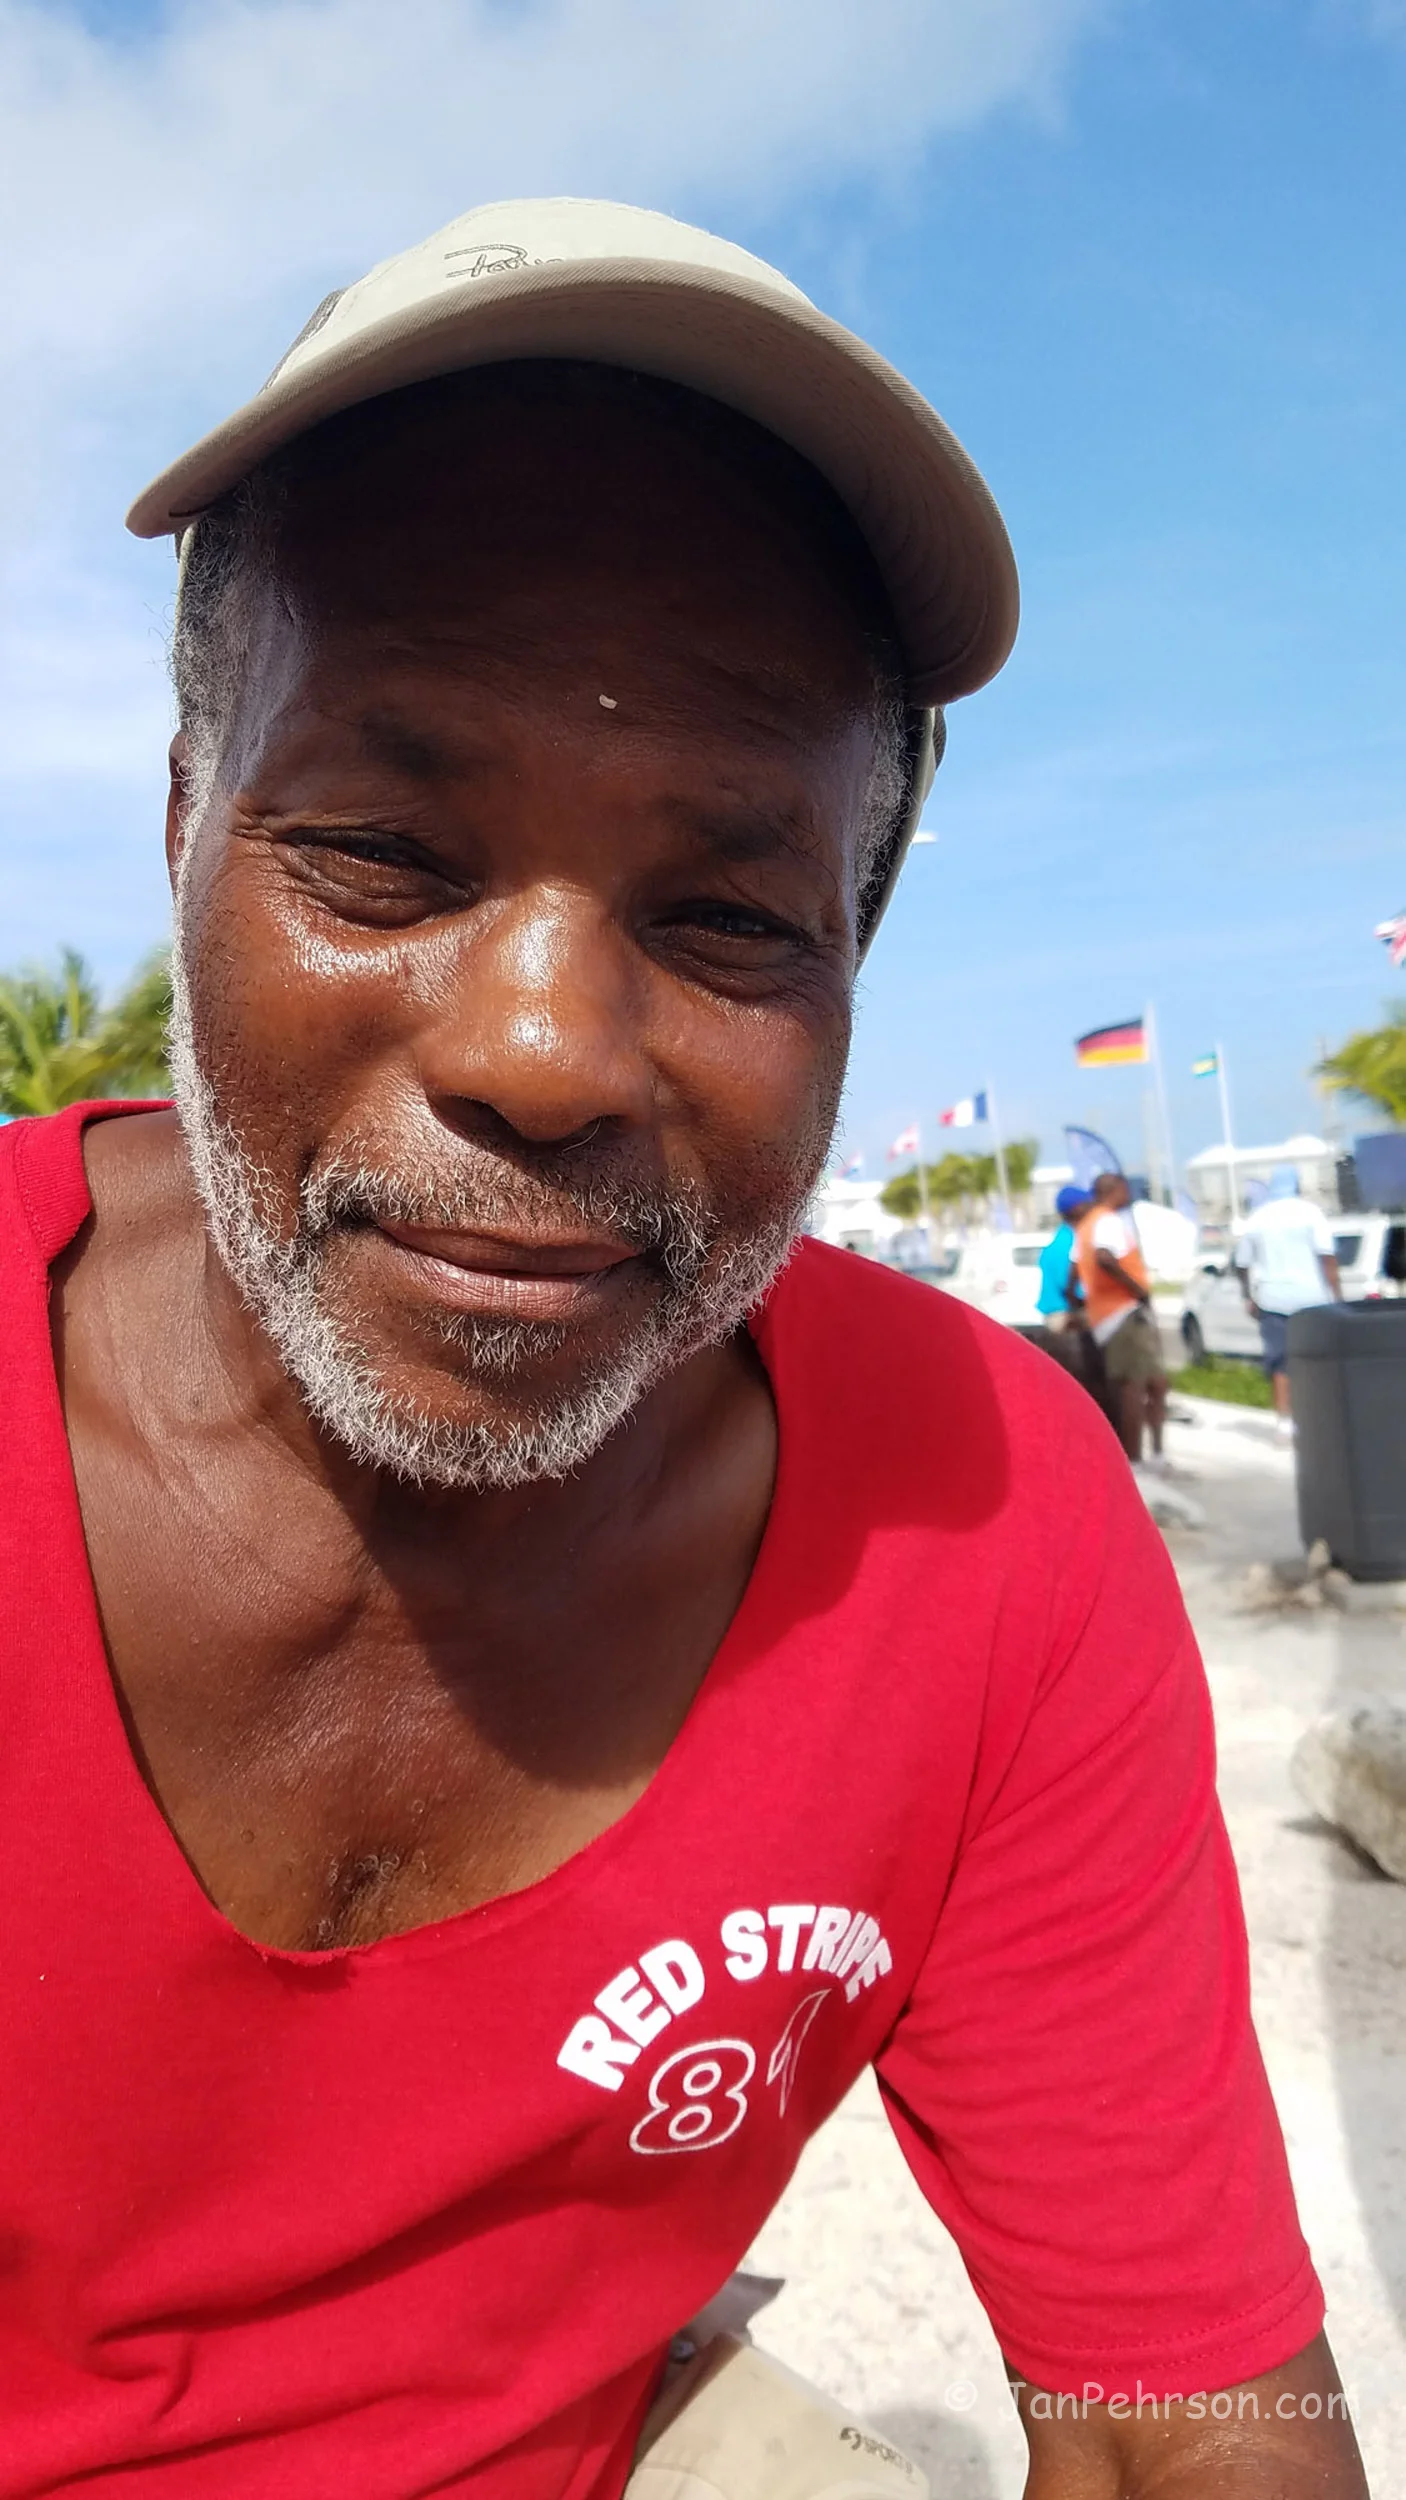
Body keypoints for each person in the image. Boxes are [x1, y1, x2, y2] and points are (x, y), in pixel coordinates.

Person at [0, 198, 1363, 2500]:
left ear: (856, 943)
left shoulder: (989, 1522)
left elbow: (1184, 2417)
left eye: (727, 915)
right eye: (380, 853)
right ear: (181, 835)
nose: (542, 1054)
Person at [1235, 1165, 1343, 1438]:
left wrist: (1248, 1296)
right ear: (1297, 1186)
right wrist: (1338, 1296)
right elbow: (1328, 1257)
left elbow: (1242, 1263)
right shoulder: (1311, 1213)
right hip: (1313, 1300)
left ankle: (1284, 1422)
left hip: (1272, 1299)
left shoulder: (1257, 1218)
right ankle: (1318, 1413)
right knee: (1316, 1358)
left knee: (1280, 1363)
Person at [1075, 1171, 1171, 1467]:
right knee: (1135, 1387)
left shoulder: (1086, 1225)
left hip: (1105, 1314)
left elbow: (1074, 1271)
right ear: (1114, 1189)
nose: (1127, 1193)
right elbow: (1105, 1257)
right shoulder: (1107, 1220)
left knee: (1153, 1383)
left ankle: (1153, 1453)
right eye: (1124, 1188)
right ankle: (1136, 1459)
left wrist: (1081, 1303)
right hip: (1123, 1313)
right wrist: (1138, 1290)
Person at [1036, 1182, 1091, 1330]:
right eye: (1087, 1204)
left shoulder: (1061, 1238)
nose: (1091, 1208)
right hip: (1064, 1316)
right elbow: (1071, 1287)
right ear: (1076, 1209)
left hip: (1060, 1314)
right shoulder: (1068, 1242)